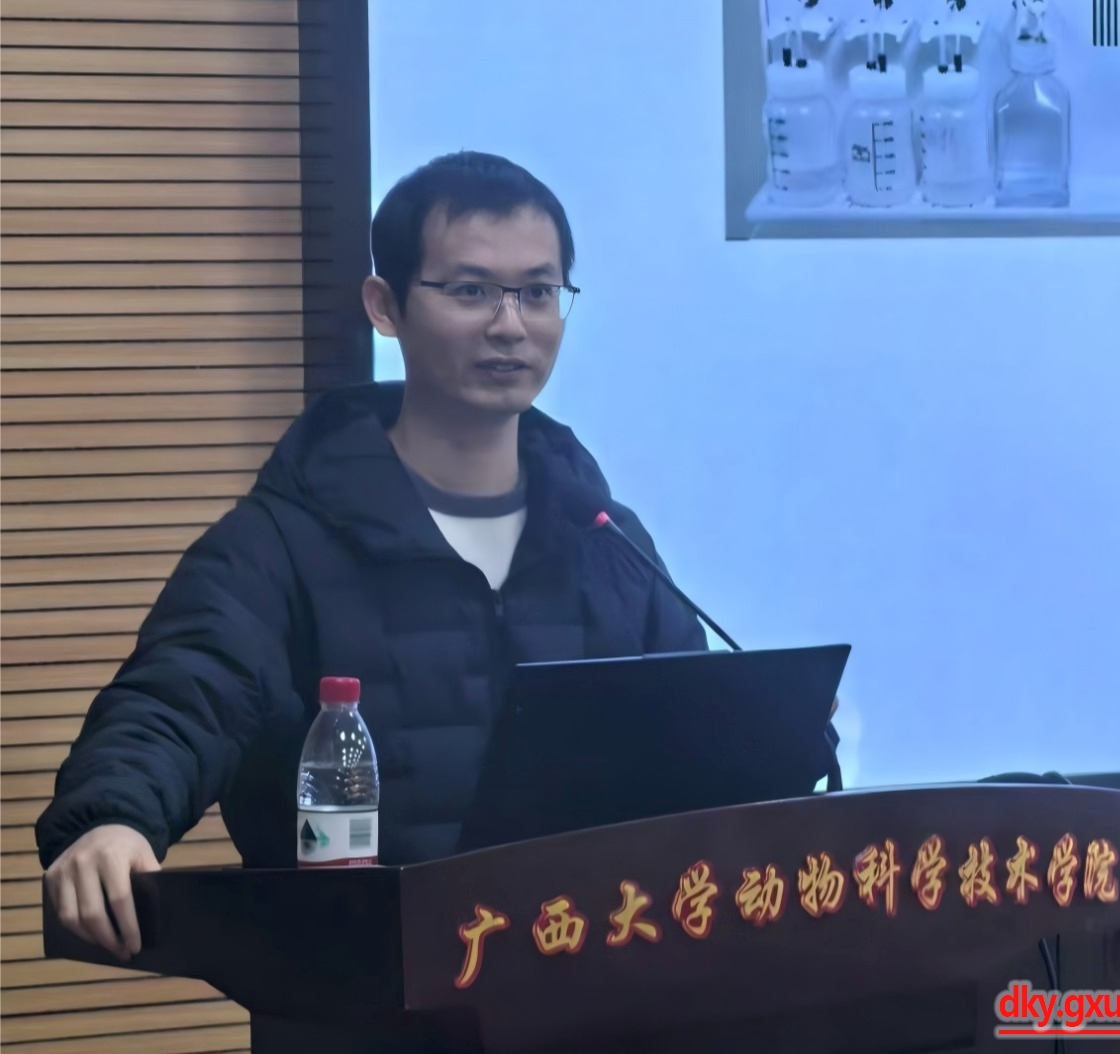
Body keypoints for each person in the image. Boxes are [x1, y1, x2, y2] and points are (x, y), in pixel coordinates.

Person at [35, 151, 710, 962]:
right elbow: (181, 696)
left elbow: (699, 733)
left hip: (590, 980)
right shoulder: (285, 539)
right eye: (471, 291)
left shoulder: (604, 537)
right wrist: (113, 818)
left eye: (537, 292)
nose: (511, 325)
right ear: (385, 307)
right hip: (362, 984)